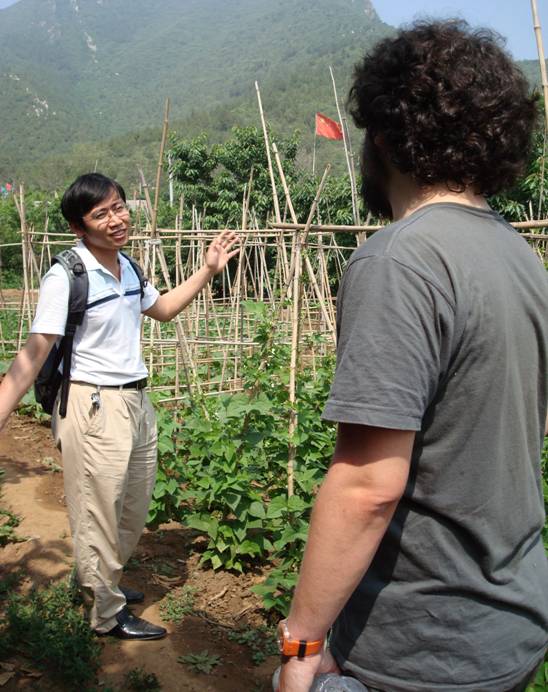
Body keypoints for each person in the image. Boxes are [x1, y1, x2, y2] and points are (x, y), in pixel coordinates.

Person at [276, 20, 548, 692]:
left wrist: (302, 643)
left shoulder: (400, 260)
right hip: (509, 627)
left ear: (387, 136)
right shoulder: (520, 258)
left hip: (421, 644)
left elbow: (368, 487)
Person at [0, 172, 238, 640]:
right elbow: (35, 351)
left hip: (134, 400)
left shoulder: (128, 267)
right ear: (79, 227)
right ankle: (106, 614)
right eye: (101, 214)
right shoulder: (66, 275)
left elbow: (163, 309)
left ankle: (99, 581)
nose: (116, 219)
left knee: (131, 507)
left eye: (119, 207)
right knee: (98, 512)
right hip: (92, 404)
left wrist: (208, 269)